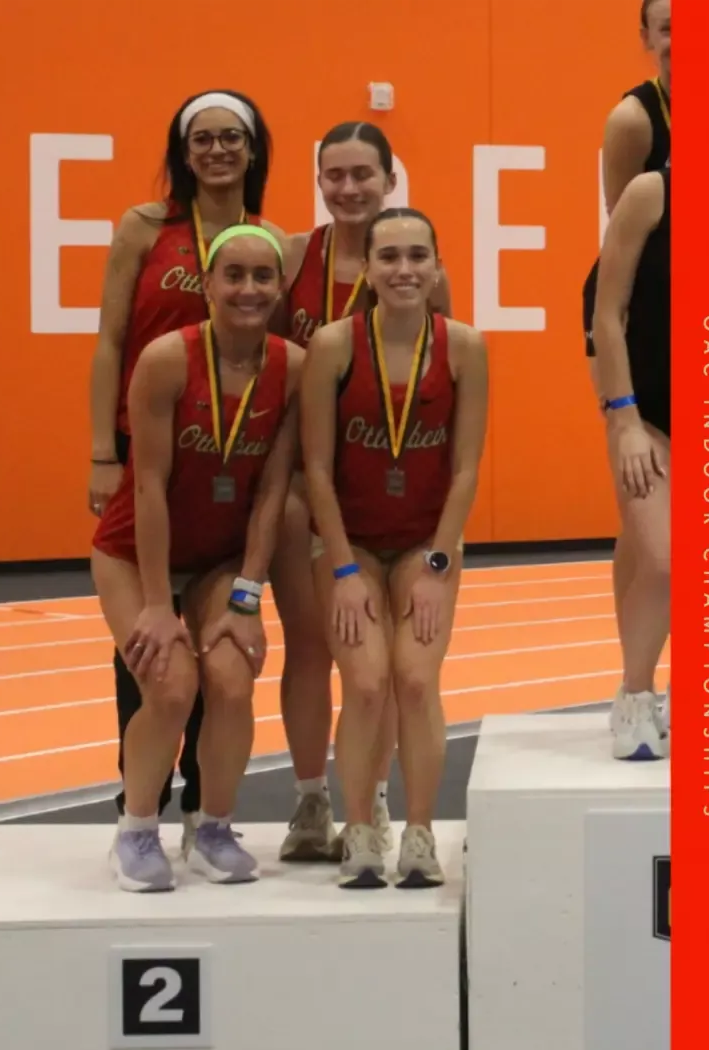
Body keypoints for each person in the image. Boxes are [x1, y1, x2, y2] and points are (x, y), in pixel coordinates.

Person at [88, 90, 286, 857]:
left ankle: (210, 811)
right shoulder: (147, 229)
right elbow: (109, 340)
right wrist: (102, 450)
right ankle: (136, 807)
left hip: (227, 461)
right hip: (147, 459)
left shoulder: (274, 240)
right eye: (201, 138)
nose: (216, 150)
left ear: (253, 147)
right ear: (182, 149)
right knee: (153, 655)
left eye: (231, 137)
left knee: (224, 667)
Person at [269, 122, 453, 862]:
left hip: (381, 480)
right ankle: (312, 798)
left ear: (388, 180)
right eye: (334, 174)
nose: (348, 188)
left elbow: (439, 377)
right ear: (319, 180)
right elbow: (268, 354)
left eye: (363, 175)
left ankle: (372, 802)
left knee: (372, 665)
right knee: (313, 647)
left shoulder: (412, 263)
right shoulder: (291, 255)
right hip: (299, 479)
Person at [299, 208, 490, 888]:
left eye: (417, 256)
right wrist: (344, 568)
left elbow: (466, 469)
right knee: (368, 682)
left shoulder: (464, 346)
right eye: (389, 257)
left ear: (437, 267)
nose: (404, 269)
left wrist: (439, 565)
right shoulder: (334, 345)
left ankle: (418, 833)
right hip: (348, 544)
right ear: (369, 270)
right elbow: (317, 469)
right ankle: (358, 833)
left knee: (415, 678)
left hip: (425, 543)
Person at [586, 0, 671, 753]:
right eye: (668, 28)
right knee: (667, 548)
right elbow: (619, 286)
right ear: (647, 37)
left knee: (650, 542)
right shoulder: (636, 130)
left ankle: (637, 679)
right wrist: (622, 414)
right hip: (641, 345)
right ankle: (637, 694)